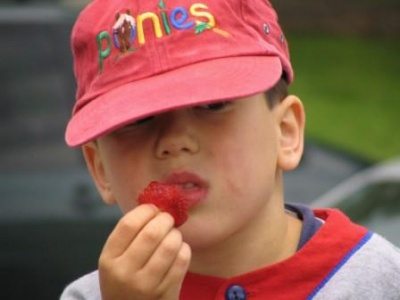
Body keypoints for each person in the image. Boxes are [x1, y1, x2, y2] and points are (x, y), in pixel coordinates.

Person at [61, 0, 400, 299]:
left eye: (213, 104)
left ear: (285, 132)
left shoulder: (380, 281)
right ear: (100, 169)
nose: (174, 141)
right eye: (137, 120)